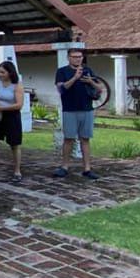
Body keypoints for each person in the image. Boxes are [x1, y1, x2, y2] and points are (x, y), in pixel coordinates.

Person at [54, 48, 105, 180]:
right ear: (69, 58)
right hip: (70, 109)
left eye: (80, 57)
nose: (77, 59)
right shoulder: (62, 71)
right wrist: (75, 77)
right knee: (69, 139)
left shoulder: (88, 70)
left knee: (85, 139)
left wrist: (90, 81)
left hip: (87, 109)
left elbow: (100, 88)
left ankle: (87, 168)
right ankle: (64, 166)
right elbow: (61, 89)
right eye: (74, 56)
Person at [0, 60, 24, 182]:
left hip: (12, 116)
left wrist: (2, 107)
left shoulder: (17, 85)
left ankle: (17, 170)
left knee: (14, 144)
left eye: (3, 72)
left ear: (10, 72)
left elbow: (19, 105)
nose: (0, 74)